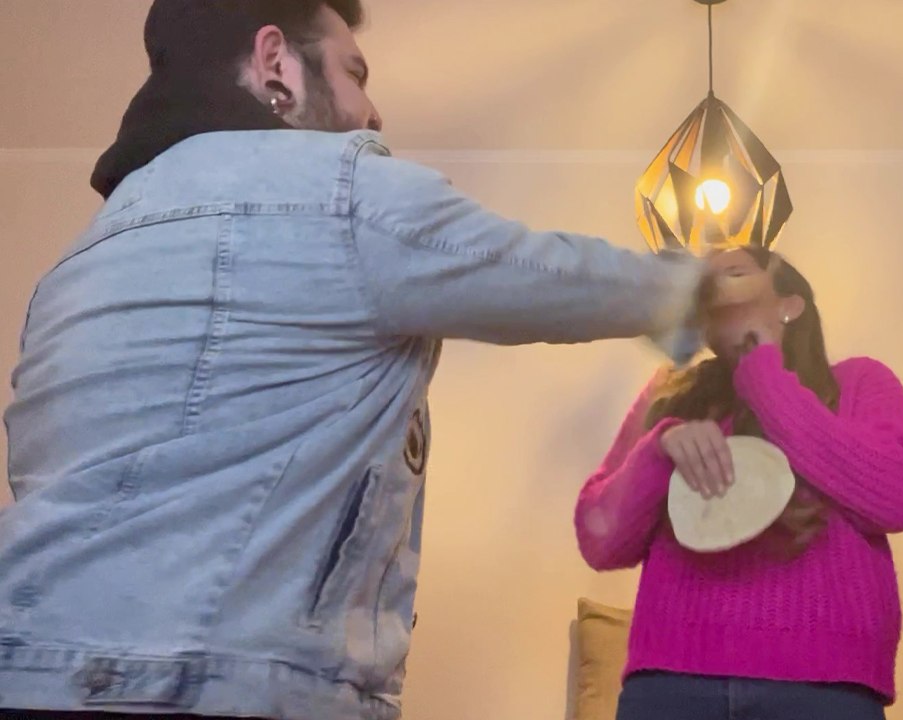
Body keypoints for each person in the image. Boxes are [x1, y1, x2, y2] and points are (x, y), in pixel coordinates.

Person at [0, 2, 709, 719]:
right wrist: (701, 288)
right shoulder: (340, 189)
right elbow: (542, 274)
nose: (372, 113)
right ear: (275, 63)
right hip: (217, 683)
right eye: (355, 73)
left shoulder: (79, 262)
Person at [575, 247, 903, 720]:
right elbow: (599, 540)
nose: (715, 282)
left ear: (790, 303)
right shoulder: (669, 396)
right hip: (671, 685)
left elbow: (897, 498)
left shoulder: (861, 382)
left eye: (737, 271)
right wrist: (661, 448)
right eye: (706, 278)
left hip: (824, 687)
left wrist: (760, 366)